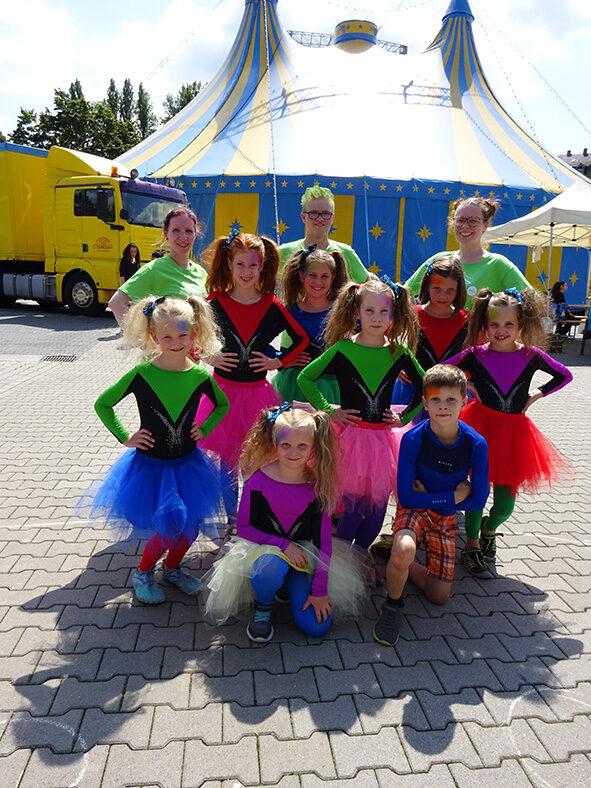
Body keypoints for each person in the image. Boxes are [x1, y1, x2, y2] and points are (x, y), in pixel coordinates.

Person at [78, 295, 231, 604]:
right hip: (151, 469)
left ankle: (172, 568)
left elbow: (222, 405)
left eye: (182, 335)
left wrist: (205, 428)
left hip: (189, 466)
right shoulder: (143, 374)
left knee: (190, 528)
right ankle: (144, 572)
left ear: (194, 333)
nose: (175, 343)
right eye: (167, 337)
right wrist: (125, 436)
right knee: (168, 527)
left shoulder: (200, 375)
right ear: (154, 336)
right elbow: (103, 404)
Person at [201, 405, 366, 642]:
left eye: (302, 446)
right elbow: (245, 528)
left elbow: (323, 540)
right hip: (265, 551)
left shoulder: (317, 485)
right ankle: (263, 606)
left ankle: (287, 585)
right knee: (270, 568)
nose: (293, 452)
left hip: (303, 557)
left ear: (313, 447)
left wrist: (319, 590)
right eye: (286, 445)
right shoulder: (258, 480)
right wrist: (283, 545)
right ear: (275, 444)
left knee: (317, 626)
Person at [447, 287, 574, 575]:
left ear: (520, 324)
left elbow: (564, 375)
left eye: (508, 324)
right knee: (477, 491)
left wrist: (536, 394)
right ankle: (471, 544)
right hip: (480, 430)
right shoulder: (474, 355)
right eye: (494, 324)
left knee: (505, 506)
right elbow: (441, 370)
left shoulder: (531, 355)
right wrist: (467, 385)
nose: (501, 331)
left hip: (515, 436)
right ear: (484, 325)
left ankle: (489, 529)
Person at [297, 278, 425, 551]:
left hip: (384, 442)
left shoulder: (398, 351)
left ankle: (362, 555)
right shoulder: (343, 349)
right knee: (353, 510)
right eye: (369, 311)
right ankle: (344, 559)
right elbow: (305, 378)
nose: (376, 318)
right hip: (350, 441)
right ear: (357, 312)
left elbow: (427, 385)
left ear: (393, 313)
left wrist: (404, 417)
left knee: (377, 512)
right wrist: (329, 410)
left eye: (383, 311)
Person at [373, 365, 489, 646]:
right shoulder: (413, 438)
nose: (443, 406)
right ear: (425, 403)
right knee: (404, 548)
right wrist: (452, 497)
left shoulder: (476, 444)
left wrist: (436, 499)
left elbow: (478, 500)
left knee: (439, 596)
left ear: (464, 402)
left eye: (451, 400)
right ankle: (393, 603)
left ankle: (396, 560)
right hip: (415, 511)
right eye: (435, 399)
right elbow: (406, 498)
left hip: (444, 517)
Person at [197, 231, 309, 473]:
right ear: (229, 263)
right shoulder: (215, 301)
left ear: (262, 266)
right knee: (227, 463)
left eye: (253, 265)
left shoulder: (271, 303)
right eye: (240, 264)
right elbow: (188, 334)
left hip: (258, 395)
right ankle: (230, 502)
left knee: (255, 461)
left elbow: (301, 339)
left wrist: (278, 362)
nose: (246, 271)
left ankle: (250, 499)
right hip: (222, 394)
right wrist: (207, 356)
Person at [406, 197, 530, 310]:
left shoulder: (497, 264)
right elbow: (405, 293)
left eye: (473, 221)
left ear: (485, 225)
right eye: (460, 220)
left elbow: (531, 300)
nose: (465, 226)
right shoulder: (439, 260)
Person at [392, 254, 470, 413]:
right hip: (411, 393)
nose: (443, 296)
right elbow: (387, 342)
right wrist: (395, 366)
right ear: (427, 285)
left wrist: (466, 375)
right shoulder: (411, 315)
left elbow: (475, 356)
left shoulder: (466, 320)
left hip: (451, 397)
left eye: (450, 290)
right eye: (437, 288)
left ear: (459, 290)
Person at [273, 245, 349, 403]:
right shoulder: (290, 311)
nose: (318, 282)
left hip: (333, 385)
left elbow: (369, 336)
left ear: (333, 277)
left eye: (324, 276)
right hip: (295, 384)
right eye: (312, 275)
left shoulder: (342, 311)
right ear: (302, 276)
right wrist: (282, 359)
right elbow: (260, 339)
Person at [108, 206, 208, 326]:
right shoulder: (154, 269)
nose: (183, 237)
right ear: (166, 233)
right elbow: (116, 303)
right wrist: (140, 336)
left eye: (189, 231)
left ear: (195, 234)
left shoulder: (201, 272)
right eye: (176, 230)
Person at [279, 186, 368, 283]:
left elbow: (368, 285)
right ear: (303, 217)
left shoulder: (346, 252)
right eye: (313, 213)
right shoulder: (283, 252)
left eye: (326, 213)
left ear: (332, 218)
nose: (320, 218)